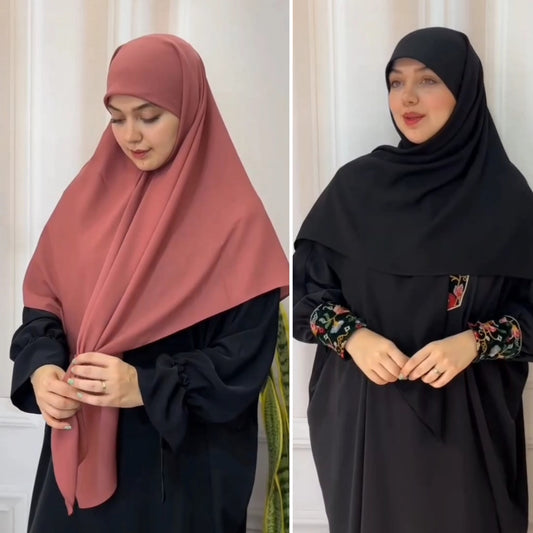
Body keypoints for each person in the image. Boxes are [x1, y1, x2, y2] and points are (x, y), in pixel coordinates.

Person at [10, 34, 288, 533]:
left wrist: (145, 384)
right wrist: (43, 368)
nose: (131, 135)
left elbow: (244, 359)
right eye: (117, 118)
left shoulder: (235, 222)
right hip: (77, 459)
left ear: (189, 107)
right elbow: (45, 306)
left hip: (177, 476)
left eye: (149, 115)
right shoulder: (86, 201)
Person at [293, 27, 533, 533]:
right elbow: (309, 295)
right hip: (365, 425)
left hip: (466, 432)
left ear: (464, 90)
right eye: (396, 82)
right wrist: (354, 337)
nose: (407, 98)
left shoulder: (507, 199)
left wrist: (473, 342)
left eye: (427, 80)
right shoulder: (356, 189)